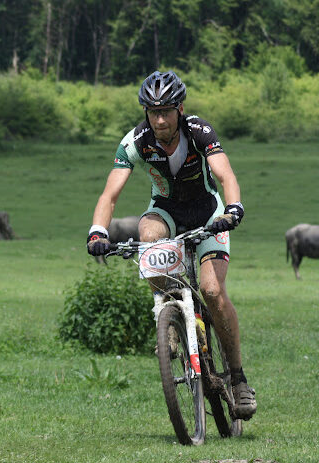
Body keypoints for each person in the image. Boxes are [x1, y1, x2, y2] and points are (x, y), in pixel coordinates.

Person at [85, 70, 256, 420]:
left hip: (209, 213)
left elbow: (225, 175)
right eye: (152, 111)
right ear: (145, 112)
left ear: (179, 108)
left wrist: (234, 208)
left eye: (166, 111)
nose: (159, 119)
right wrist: (97, 230)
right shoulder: (135, 141)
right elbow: (110, 193)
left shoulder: (198, 131)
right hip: (166, 211)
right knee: (147, 235)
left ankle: (237, 378)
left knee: (212, 290)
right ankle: (168, 310)